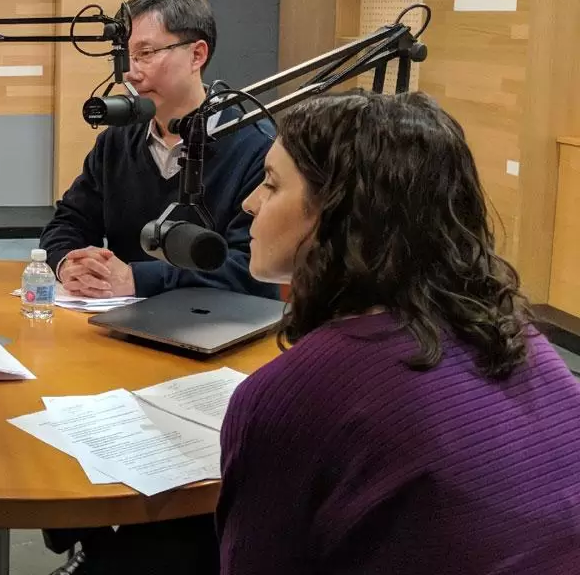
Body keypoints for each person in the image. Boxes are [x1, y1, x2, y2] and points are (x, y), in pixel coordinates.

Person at [215, 90, 580, 573]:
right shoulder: (524, 341)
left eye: (271, 184)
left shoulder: (291, 395)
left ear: (341, 211)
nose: (249, 203)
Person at [39, 0, 277, 301]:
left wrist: (137, 279)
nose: (131, 74)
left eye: (146, 54)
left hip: (217, 330)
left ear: (197, 55)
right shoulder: (117, 141)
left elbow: (250, 267)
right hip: (122, 324)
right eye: (125, 57)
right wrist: (69, 262)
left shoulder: (256, 148)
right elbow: (69, 222)